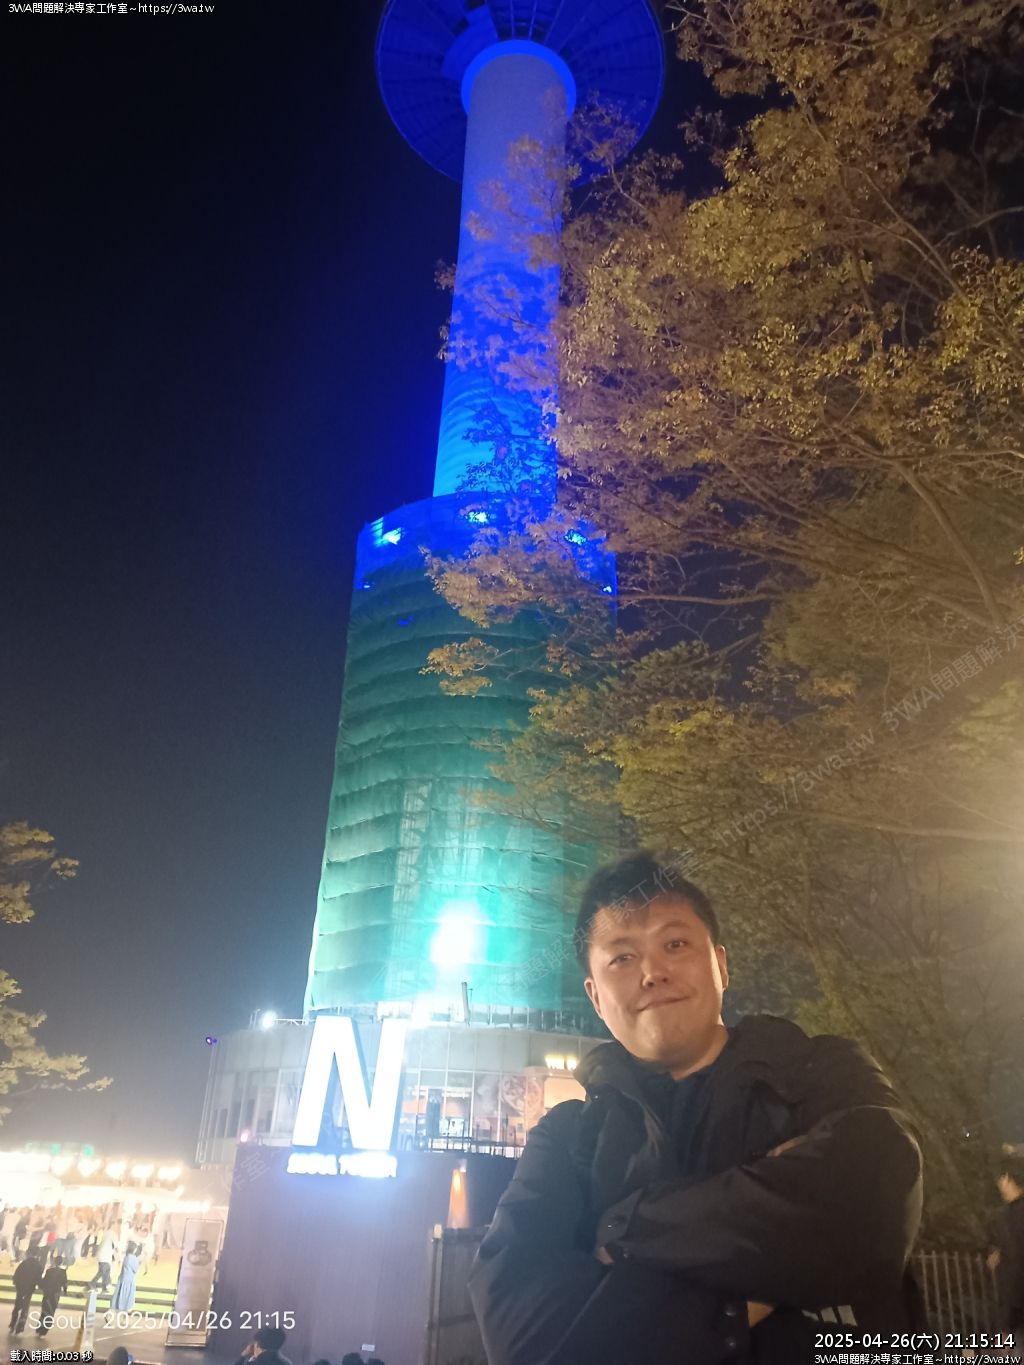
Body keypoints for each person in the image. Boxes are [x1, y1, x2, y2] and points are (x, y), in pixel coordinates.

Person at [470, 853, 924, 1365]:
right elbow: (524, 1337)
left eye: (675, 944)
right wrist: (739, 1307)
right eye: (622, 958)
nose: (653, 973)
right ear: (595, 997)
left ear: (721, 965)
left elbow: (875, 1194)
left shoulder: (818, 1072)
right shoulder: (568, 1140)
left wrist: (624, 1229)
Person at [988, 1152, 1024, 1344]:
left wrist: (1005, 1325)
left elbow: (1015, 1266)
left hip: (1016, 1309)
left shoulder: (1013, 1217)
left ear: (1010, 1180)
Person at [9, 1252, 42, 1334]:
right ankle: (20, 1326)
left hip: (21, 1287)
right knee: (25, 1307)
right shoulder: (38, 1265)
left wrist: (16, 1282)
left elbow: (17, 1273)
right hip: (30, 1288)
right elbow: (38, 1277)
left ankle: (13, 1323)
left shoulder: (24, 1263)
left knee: (17, 1306)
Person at [36, 1254, 68, 1337]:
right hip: (55, 1294)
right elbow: (64, 1283)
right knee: (50, 1312)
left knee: (44, 1310)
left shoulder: (49, 1271)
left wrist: (41, 1287)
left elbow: (45, 1281)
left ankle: (39, 1327)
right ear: (61, 1263)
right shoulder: (63, 1272)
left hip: (47, 1293)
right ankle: (44, 1331)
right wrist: (65, 1291)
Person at [87, 1226, 117, 1294]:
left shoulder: (106, 1234)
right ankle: (92, 1284)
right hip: (105, 1257)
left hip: (103, 1256)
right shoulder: (112, 1234)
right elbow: (116, 1247)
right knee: (102, 1272)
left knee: (105, 1272)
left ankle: (104, 1287)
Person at [110, 1241, 139, 1312]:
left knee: (120, 1293)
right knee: (127, 1295)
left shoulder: (127, 1257)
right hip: (129, 1279)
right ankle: (124, 1309)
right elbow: (136, 1269)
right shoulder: (132, 1258)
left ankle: (117, 1309)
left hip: (123, 1277)